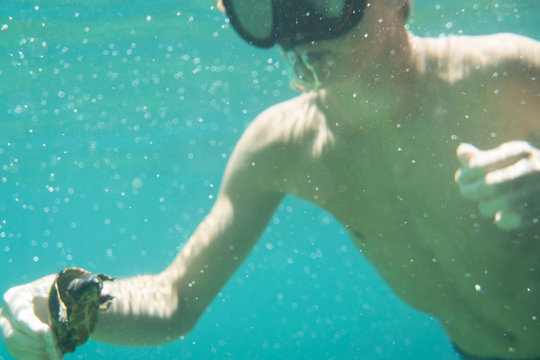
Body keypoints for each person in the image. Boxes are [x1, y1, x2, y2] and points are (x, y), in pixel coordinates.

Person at [1, 0, 539, 359]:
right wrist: (66, 297)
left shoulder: (510, 69)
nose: (297, 28)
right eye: (267, 6)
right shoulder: (282, 145)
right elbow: (172, 300)